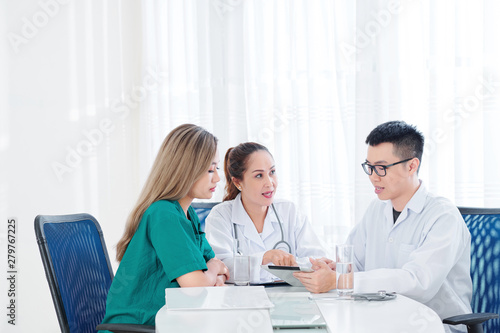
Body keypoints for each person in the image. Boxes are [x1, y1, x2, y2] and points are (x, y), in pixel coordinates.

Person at [294, 121, 472, 333]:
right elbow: (355, 265)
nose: (372, 176)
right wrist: (333, 269)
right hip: (382, 321)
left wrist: (341, 280)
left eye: (382, 168)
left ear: (412, 166)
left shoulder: (443, 217)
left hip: (434, 326)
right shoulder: (376, 210)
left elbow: (418, 283)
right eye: (369, 167)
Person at [100, 124, 229, 328]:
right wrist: (212, 272)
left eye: (217, 168)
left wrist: (212, 274)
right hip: (139, 328)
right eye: (209, 169)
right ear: (186, 169)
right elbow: (196, 285)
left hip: (167, 321)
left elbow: (213, 262)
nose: (217, 178)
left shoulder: (187, 213)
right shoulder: (164, 214)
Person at [204, 142, 328, 284]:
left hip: (289, 298)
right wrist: (265, 258)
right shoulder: (220, 215)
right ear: (238, 182)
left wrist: (295, 263)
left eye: (272, 172)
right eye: (259, 176)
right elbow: (219, 267)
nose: (269, 183)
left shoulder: (289, 211)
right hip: (240, 300)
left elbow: (317, 259)